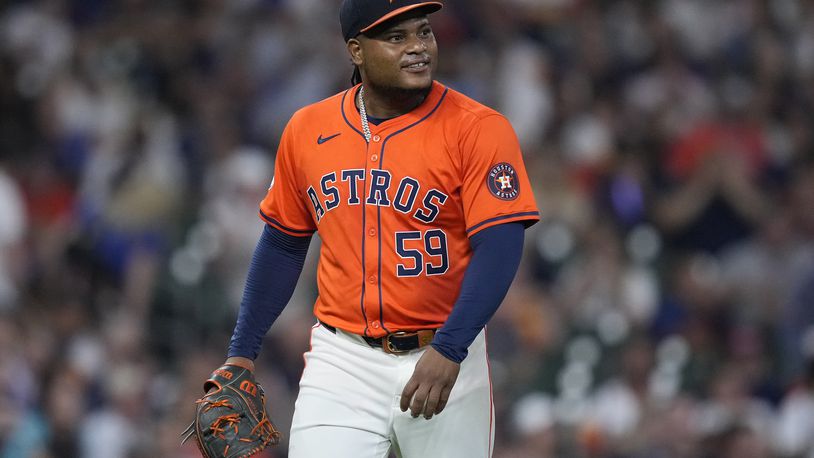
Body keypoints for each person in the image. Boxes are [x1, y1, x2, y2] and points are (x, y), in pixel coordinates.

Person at [218, 1, 539, 456]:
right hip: (342, 359)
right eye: (396, 37)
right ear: (357, 50)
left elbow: (501, 246)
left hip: (446, 351)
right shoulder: (308, 130)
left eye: (424, 32)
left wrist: (450, 349)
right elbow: (283, 245)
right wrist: (241, 352)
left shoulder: (479, 129)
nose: (417, 48)